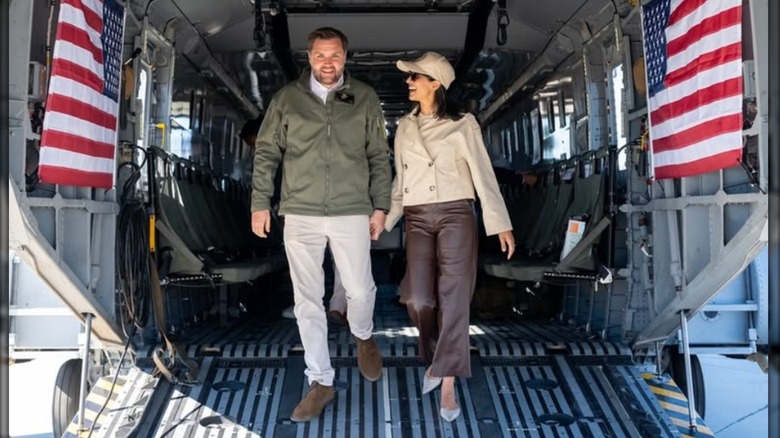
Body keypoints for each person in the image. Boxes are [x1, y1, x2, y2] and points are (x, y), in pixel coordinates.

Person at [250, 27, 391, 422]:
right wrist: (260, 202)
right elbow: (266, 152)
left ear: (346, 57)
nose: (327, 64)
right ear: (308, 57)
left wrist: (380, 206)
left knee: (361, 290)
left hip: (351, 209)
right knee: (307, 302)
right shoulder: (287, 99)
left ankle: (363, 335)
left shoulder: (364, 97)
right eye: (320, 56)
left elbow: (379, 155)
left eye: (335, 56)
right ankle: (321, 381)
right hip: (300, 211)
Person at [383, 51, 515, 422]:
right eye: (409, 77)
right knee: (418, 297)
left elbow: (483, 173)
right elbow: (401, 179)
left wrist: (499, 221)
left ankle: (447, 381)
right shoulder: (405, 126)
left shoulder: (463, 123)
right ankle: (437, 360)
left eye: (415, 77)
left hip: (457, 212)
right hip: (417, 215)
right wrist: (387, 219)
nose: (408, 83)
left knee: (454, 297)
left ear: (435, 83)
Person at [242, 119, 349, 324]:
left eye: (255, 145)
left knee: (307, 260)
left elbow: (276, 183)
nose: (255, 151)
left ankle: (309, 308)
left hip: (302, 208)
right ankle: (339, 306)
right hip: (335, 202)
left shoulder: (281, 155)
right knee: (340, 259)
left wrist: (264, 206)